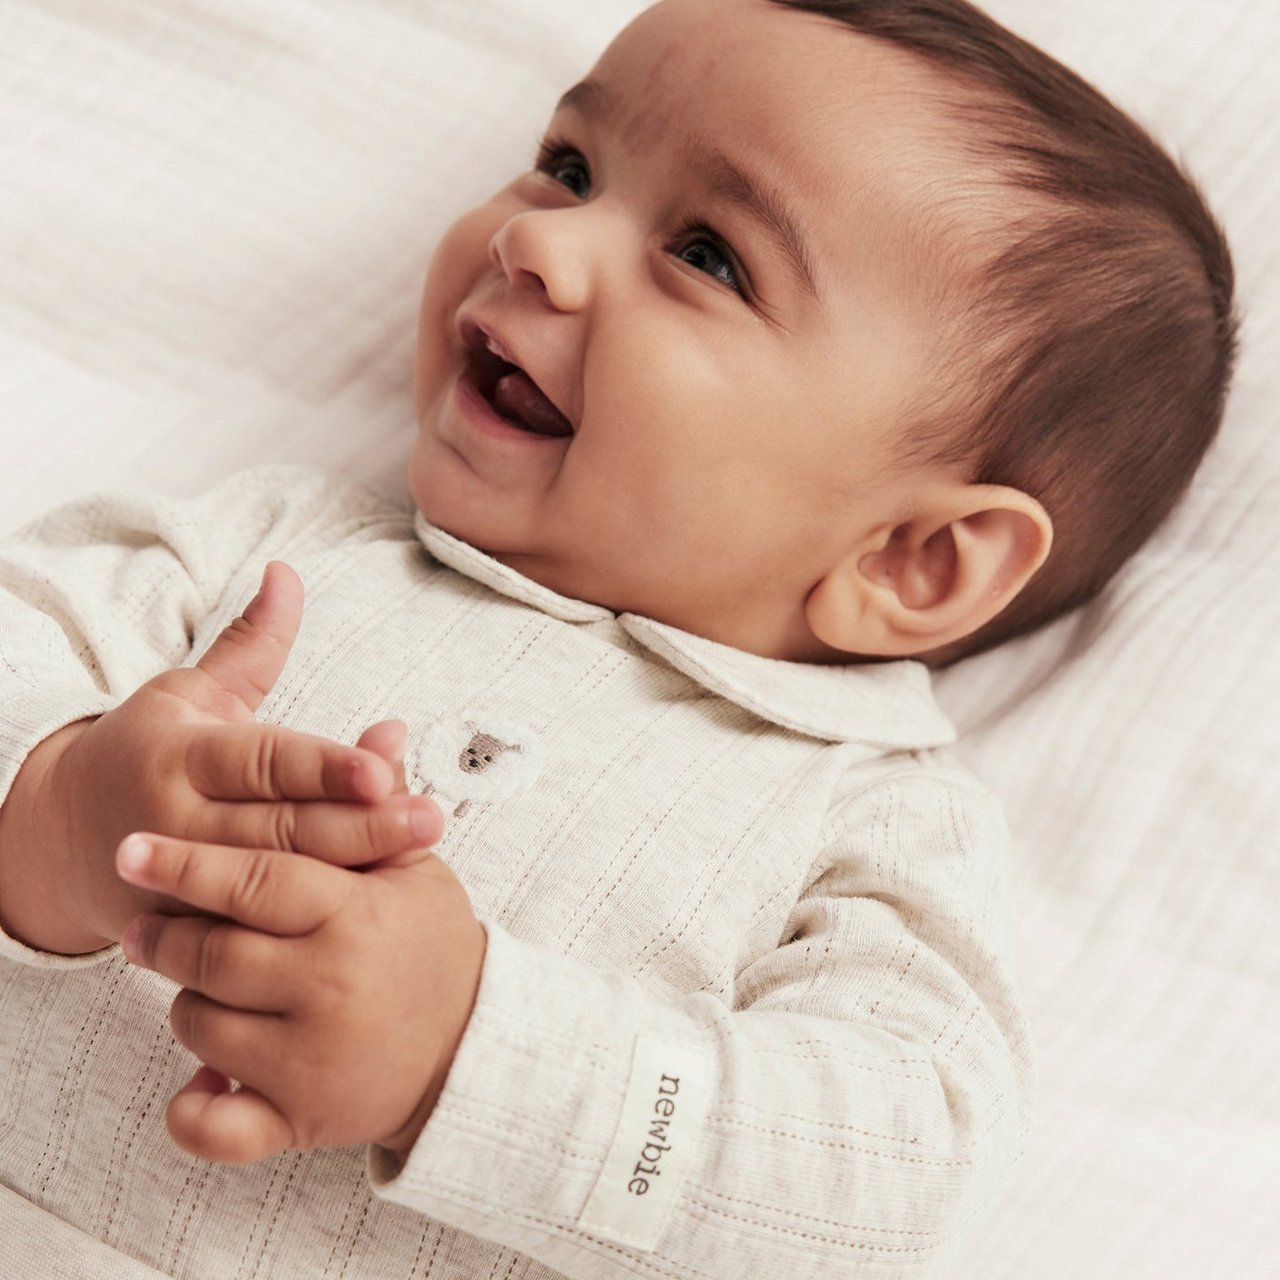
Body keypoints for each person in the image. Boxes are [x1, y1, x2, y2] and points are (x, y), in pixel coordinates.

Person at [0, 0, 1236, 1276]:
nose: (537, 236)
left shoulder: (863, 820)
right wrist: (59, 808)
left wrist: (469, 1052)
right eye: (570, 164)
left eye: (707, 254)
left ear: (906, 560)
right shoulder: (271, 544)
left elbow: (894, 1177)